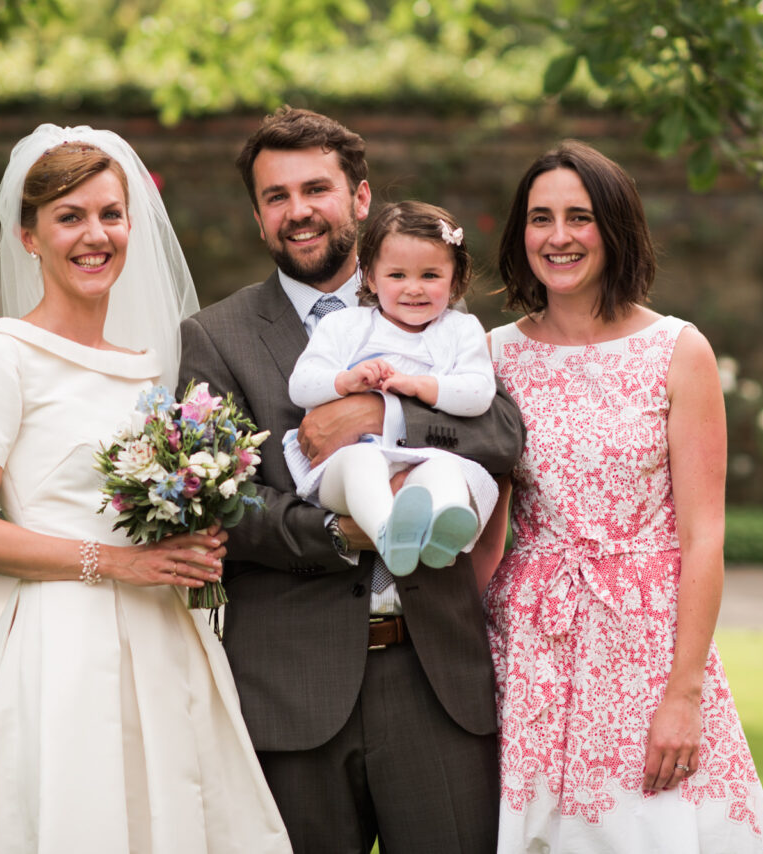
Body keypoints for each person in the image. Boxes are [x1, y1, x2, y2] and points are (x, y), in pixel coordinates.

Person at [0, 124, 291, 854]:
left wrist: (200, 527)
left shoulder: (152, 365)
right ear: (28, 237)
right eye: (69, 216)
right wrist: (117, 564)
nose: (94, 235)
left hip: (170, 636)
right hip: (68, 644)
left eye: (110, 214)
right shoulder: (2, 358)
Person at [178, 107, 524, 853]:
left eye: (316, 189)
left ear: (360, 200)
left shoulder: (439, 309)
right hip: (290, 691)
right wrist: (340, 529)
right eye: (276, 196)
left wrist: (382, 414)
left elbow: (500, 435)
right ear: (259, 214)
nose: (298, 211)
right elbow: (224, 504)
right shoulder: (215, 338)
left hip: (435, 681)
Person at [476, 140, 763, 852]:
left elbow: (705, 536)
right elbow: (488, 530)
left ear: (614, 228)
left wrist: (685, 692)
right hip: (528, 646)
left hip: (644, 647)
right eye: (540, 217)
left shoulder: (678, 349)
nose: (558, 237)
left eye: (579, 217)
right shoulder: (492, 355)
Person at [284, 200, 499, 575]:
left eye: (430, 275)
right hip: (346, 464)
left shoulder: (460, 330)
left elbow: (479, 392)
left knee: (447, 470)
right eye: (397, 275)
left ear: (455, 277)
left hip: (423, 457)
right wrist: (346, 380)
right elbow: (300, 386)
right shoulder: (345, 326)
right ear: (370, 277)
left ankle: (440, 531)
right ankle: (387, 532)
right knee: (363, 462)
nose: (413, 289)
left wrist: (419, 385)